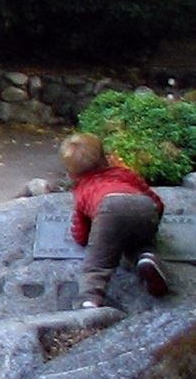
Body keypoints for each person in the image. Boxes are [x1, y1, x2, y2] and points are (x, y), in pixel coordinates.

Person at [61, 132, 172, 309]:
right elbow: (157, 202)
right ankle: (147, 259)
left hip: (109, 210)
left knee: (98, 264)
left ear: (73, 174)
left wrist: (88, 237)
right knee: (140, 244)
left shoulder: (83, 189)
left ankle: (89, 299)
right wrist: (153, 222)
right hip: (144, 206)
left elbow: (81, 234)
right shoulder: (124, 174)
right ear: (106, 158)